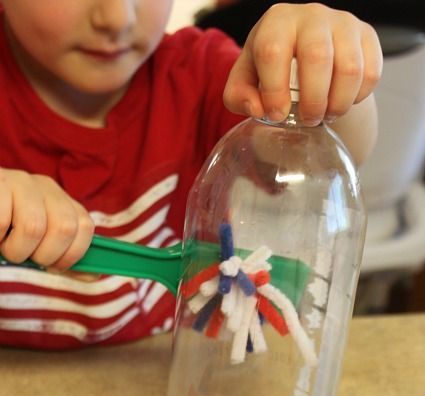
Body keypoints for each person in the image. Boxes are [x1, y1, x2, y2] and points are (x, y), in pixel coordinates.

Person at [0, 1, 382, 349]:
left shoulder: (199, 72)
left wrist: (323, 78)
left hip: (164, 384)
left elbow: (337, 154)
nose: (116, 18)